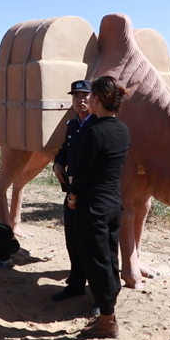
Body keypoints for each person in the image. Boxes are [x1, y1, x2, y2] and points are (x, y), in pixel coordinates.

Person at [67, 75, 130, 339]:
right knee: (110, 258)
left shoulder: (94, 132)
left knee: (97, 262)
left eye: (91, 95)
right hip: (113, 204)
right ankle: (109, 312)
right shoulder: (122, 130)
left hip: (93, 206)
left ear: (97, 99)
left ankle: (107, 320)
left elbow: (81, 172)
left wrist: (72, 195)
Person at [51, 80, 97, 308]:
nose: (80, 100)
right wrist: (58, 163)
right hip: (72, 192)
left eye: (84, 95)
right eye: (76, 96)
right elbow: (65, 151)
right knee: (73, 238)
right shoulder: (72, 125)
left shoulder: (98, 125)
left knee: (94, 244)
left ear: (94, 98)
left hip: (92, 194)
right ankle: (76, 283)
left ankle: (99, 295)